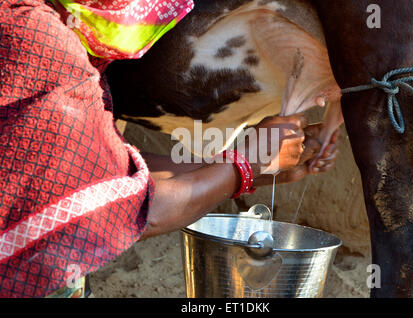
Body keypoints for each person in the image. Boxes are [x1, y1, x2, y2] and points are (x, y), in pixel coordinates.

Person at [0, 0, 339, 297]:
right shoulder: (37, 43)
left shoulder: (37, 26)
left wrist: (261, 168)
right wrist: (246, 164)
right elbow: (138, 214)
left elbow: (99, 170)